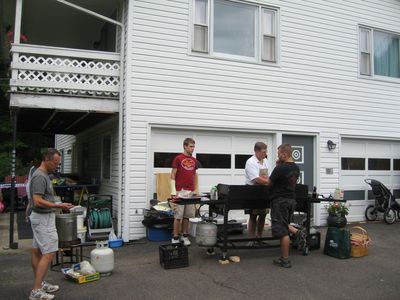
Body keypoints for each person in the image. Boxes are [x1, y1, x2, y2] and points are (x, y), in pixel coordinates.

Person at [29, 148, 74, 300]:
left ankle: (40, 283)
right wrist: (58, 206)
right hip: (43, 219)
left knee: (37, 251)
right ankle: (36, 290)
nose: (57, 166)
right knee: (49, 253)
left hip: (39, 217)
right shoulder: (40, 176)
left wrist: (58, 203)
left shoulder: (42, 175)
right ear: (47, 160)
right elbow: (37, 200)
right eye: (55, 163)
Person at [267, 144, 304, 268]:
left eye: (279, 154)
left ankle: (285, 260)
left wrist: (278, 166)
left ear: (284, 154)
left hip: (280, 201)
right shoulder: (296, 168)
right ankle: (297, 232)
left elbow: (269, 183)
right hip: (291, 201)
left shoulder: (280, 169)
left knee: (283, 232)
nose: (278, 155)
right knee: (285, 226)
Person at [170, 138, 199, 246]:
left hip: (190, 191)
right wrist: (173, 190)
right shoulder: (178, 158)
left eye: (193, 146)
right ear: (185, 146)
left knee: (187, 216)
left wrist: (194, 189)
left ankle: (185, 236)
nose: (192, 148)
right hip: (179, 191)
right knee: (178, 216)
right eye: (191, 146)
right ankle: (175, 236)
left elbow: (193, 174)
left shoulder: (194, 160)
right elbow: (173, 174)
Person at [244, 142, 270, 245]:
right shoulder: (250, 162)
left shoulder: (266, 161)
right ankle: (251, 239)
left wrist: (268, 181)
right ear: (257, 151)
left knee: (263, 214)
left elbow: (268, 175)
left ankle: (259, 237)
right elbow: (255, 179)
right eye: (264, 152)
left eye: (266, 151)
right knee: (253, 215)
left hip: (263, 191)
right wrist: (270, 182)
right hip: (252, 191)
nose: (265, 153)